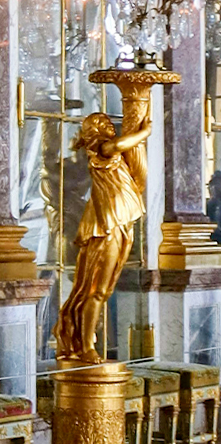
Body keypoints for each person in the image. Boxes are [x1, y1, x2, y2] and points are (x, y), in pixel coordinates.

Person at [55, 110, 150, 362]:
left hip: (118, 226)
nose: (110, 125)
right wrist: (144, 133)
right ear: (95, 129)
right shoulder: (101, 148)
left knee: (103, 291)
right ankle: (85, 346)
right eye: (105, 123)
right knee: (95, 290)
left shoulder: (112, 154)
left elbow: (136, 179)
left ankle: (84, 342)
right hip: (105, 229)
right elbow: (119, 144)